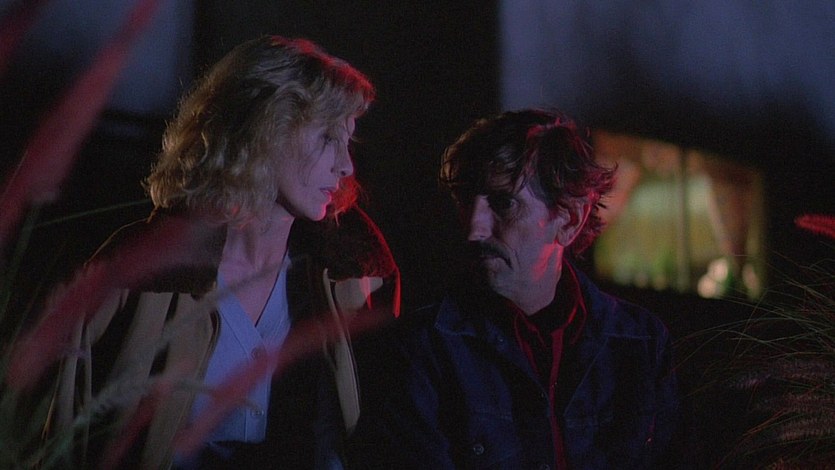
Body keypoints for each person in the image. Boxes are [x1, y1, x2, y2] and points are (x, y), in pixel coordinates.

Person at [48, 35, 399, 469]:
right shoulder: (140, 273)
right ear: (264, 130)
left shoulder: (354, 278)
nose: (346, 166)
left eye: (348, 141)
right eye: (328, 137)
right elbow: (56, 437)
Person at [347, 109, 678, 468]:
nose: (475, 228)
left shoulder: (640, 343)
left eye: (503, 203)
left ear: (569, 219)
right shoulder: (424, 348)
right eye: (466, 199)